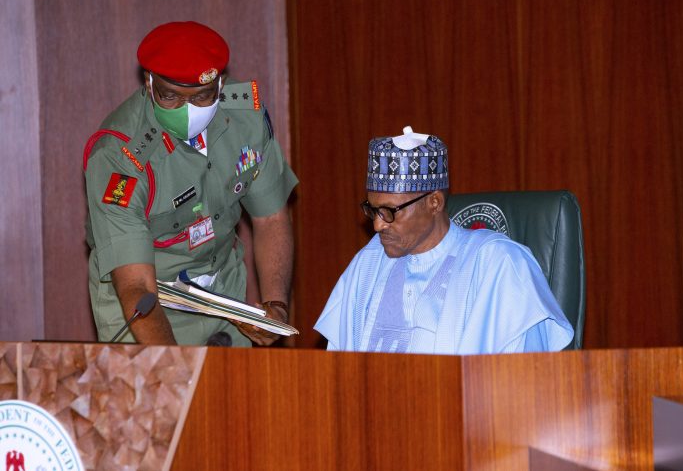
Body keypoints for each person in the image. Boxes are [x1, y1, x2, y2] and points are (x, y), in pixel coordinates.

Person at [84, 21, 297, 346]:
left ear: (220, 85)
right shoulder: (119, 156)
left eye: (201, 97)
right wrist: (175, 371)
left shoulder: (245, 117)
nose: (186, 112)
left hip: (223, 299)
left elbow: (270, 217)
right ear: (149, 82)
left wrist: (276, 307)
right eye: (169, 97)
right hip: (145, 308)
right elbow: (136, 287)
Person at [315, 127, 574, 354]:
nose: (377, 224)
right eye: (372, 210)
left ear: (434, 202)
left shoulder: (498, 264)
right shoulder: (368, 263)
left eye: (390, 212)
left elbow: (526, 381)